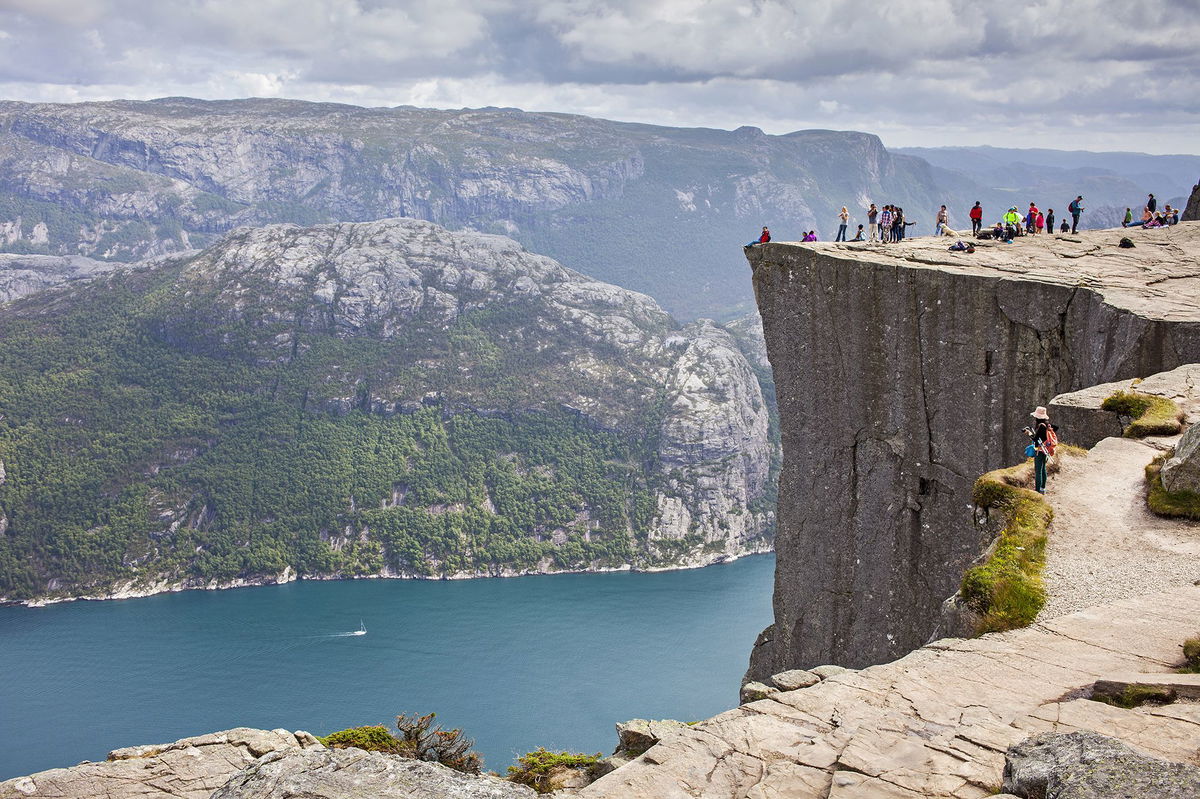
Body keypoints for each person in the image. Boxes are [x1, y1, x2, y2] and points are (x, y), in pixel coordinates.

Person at [1025, 406, 1057, 494]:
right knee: (1043, 469)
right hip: (1046, 451)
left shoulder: (1041, 426)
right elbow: (1042, 437)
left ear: (1037, 417)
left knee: (1038, 471)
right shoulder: (1048, 425)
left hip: (1040, 451)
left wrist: (1028, 433)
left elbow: (1036, 439)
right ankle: (1043, 488)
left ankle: (1038, 490)